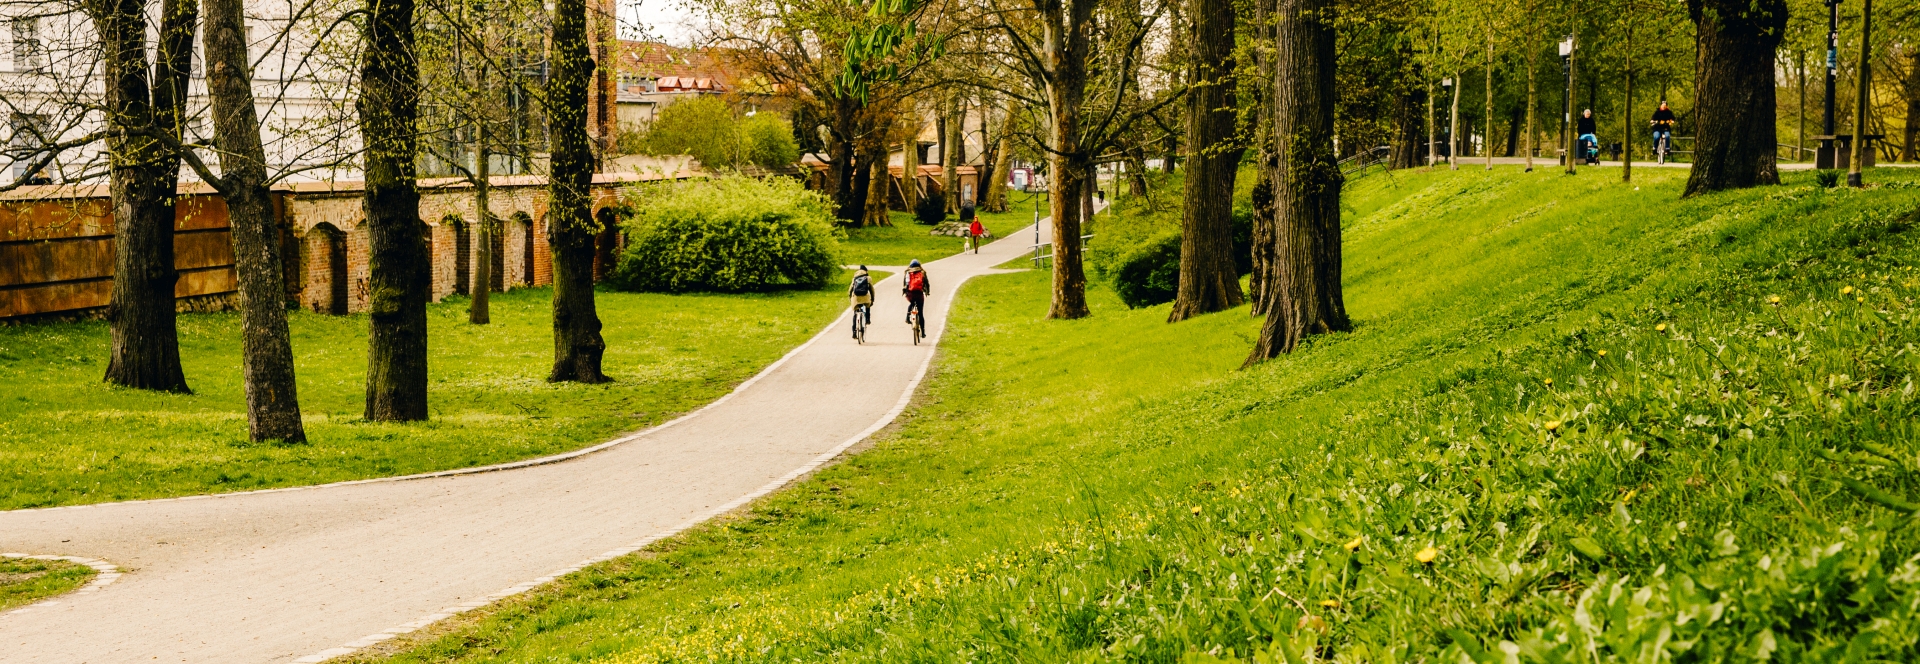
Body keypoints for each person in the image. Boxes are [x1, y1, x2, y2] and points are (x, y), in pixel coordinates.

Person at [902, 259, 930, 328]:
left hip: (910, 294)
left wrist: (905, 292)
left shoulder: (907, 272)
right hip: (919, 294)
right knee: (920, 313)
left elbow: (905, 284)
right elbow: (927, 284)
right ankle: (923, 332)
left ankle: (907, 317)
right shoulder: (922, 272)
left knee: (912, 303)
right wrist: (927, 291)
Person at [847, 266, 874, 335]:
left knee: (855, 313)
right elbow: (872, 290)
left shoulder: (854, 278)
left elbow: (850, 290)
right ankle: (867, 319)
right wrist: (872, 299)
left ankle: (854, 332)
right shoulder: (868, 278)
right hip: (865, 298)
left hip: (856, 298)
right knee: (868, 305)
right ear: (866, 271)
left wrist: (850, 298)